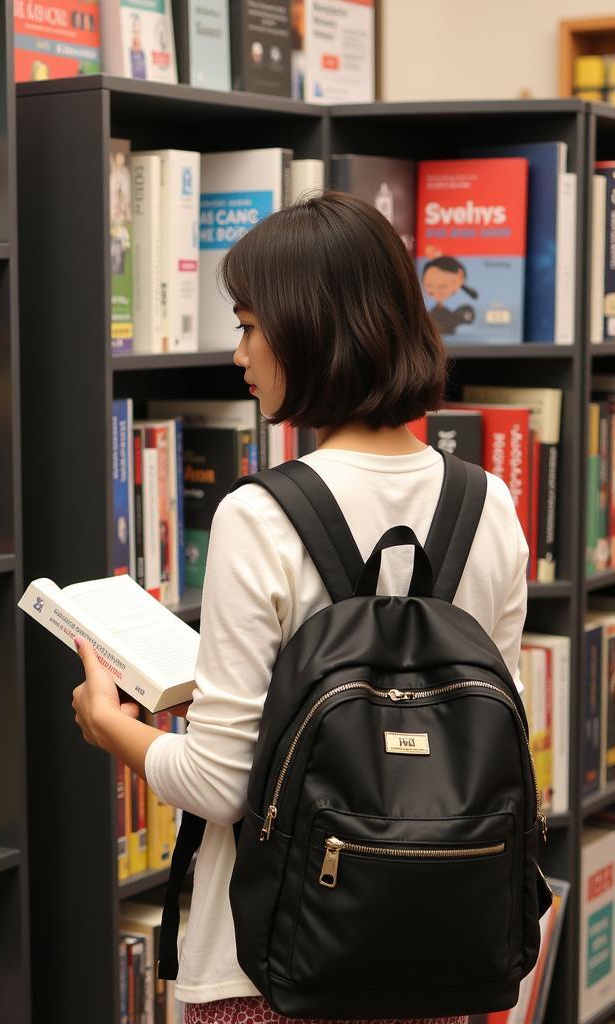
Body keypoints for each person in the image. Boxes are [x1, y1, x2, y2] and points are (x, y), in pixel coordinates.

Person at [70, 191, 528, 1024]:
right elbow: (492, 742)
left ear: (312, 328)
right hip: (440, 960)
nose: (239, 352)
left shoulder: (263, 514)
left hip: (275, 965)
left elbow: (217, 784)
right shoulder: (490, 504)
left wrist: (112, 728)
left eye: (249, 325)